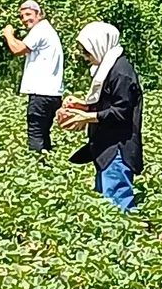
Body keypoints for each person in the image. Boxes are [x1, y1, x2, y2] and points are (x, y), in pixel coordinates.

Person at [59, 22, 142, 211]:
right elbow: (108, 103)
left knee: (118, 203)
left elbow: (121, 112)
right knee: (105, 201)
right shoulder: (108, 69)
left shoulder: (121, 73)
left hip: (118, 147)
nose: (85, 56)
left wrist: (86, 117)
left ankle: (129, 235)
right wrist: (83, 105)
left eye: (87, 51)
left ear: (100, 45)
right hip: (105, 145)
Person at [0, 0, 64, 153]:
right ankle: (47, 164)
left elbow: (17, 49)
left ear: (39, 15)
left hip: (41, 93)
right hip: (52, 93)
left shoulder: (40, 30)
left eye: (29, 14)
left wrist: (8, 34)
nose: (24, 19)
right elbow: (23, 46)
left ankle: (37, 167)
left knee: (35, 133)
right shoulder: (47, 31)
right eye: (22, 16)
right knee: (43, 133)